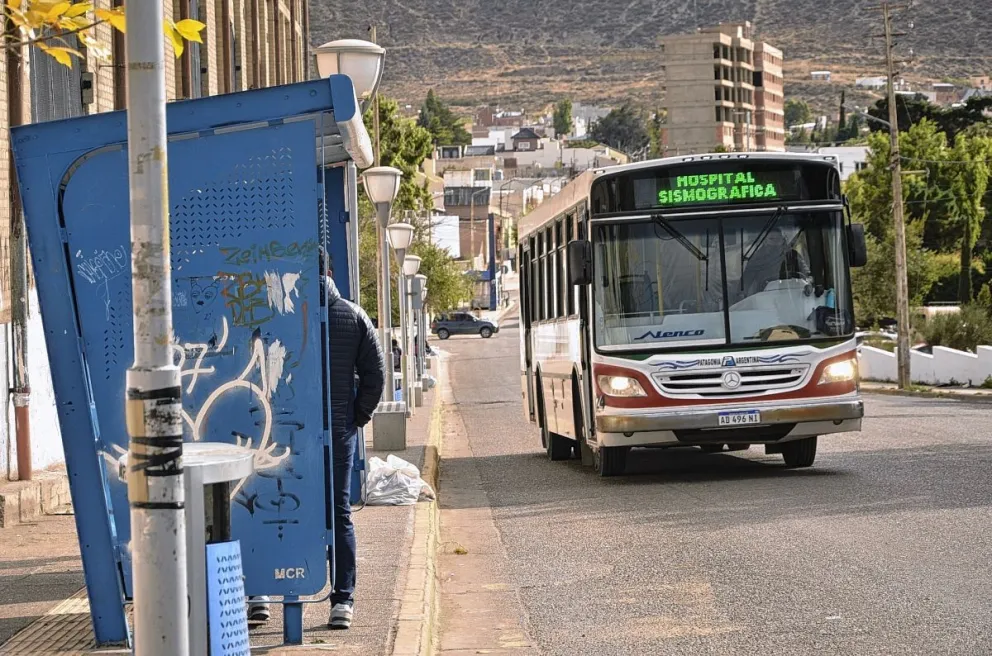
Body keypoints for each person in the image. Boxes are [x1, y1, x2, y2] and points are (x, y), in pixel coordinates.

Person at [248, 252, 384, 630]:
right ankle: (342, 601)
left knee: (272, 506)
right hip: (337, 434)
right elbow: (375, 376)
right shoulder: (354, 316)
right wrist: (354, 418)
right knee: (337, 510)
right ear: (329, 272)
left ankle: (260, 594)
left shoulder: (278, 313)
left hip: (280, 434)